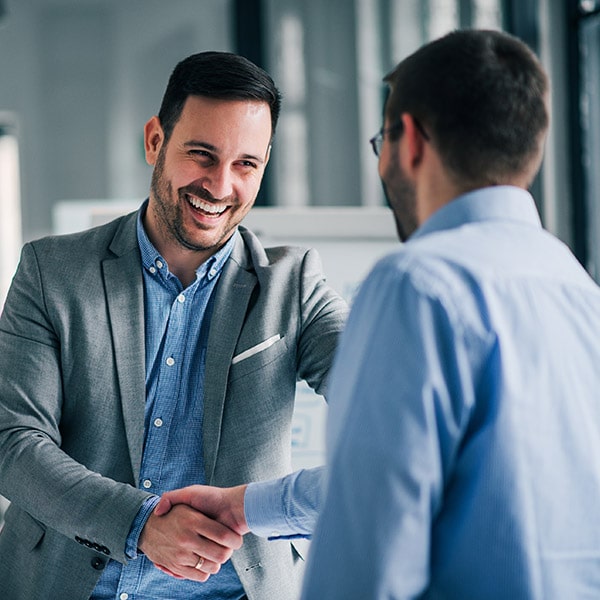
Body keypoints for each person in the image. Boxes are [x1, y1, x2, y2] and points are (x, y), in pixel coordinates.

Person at [159, 28, 600, 599]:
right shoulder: (579, 291)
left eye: (381, 141)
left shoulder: (418, 285)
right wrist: (245, 506)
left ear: (409, 141)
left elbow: (369, 535)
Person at [0, 51, 348, 600]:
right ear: (155, 141)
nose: (219, 185)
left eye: (245, 165)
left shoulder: (294, 284)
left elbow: (392, 414)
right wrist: (140, 524)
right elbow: (14, 443)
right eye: (202, 155)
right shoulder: (52, 273)